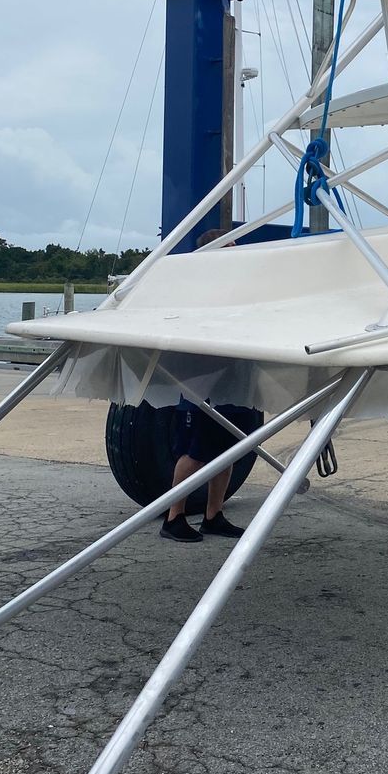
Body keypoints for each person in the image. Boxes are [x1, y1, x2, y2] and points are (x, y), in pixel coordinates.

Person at [161, 228, 246, 544]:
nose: (237, 251)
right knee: (195, 452)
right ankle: (174, 517)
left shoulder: (234, 290)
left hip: (230, 381)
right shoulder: (197, 290)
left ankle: (213, 516)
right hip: (201, 384)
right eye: (231, 246)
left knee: (228, 450)